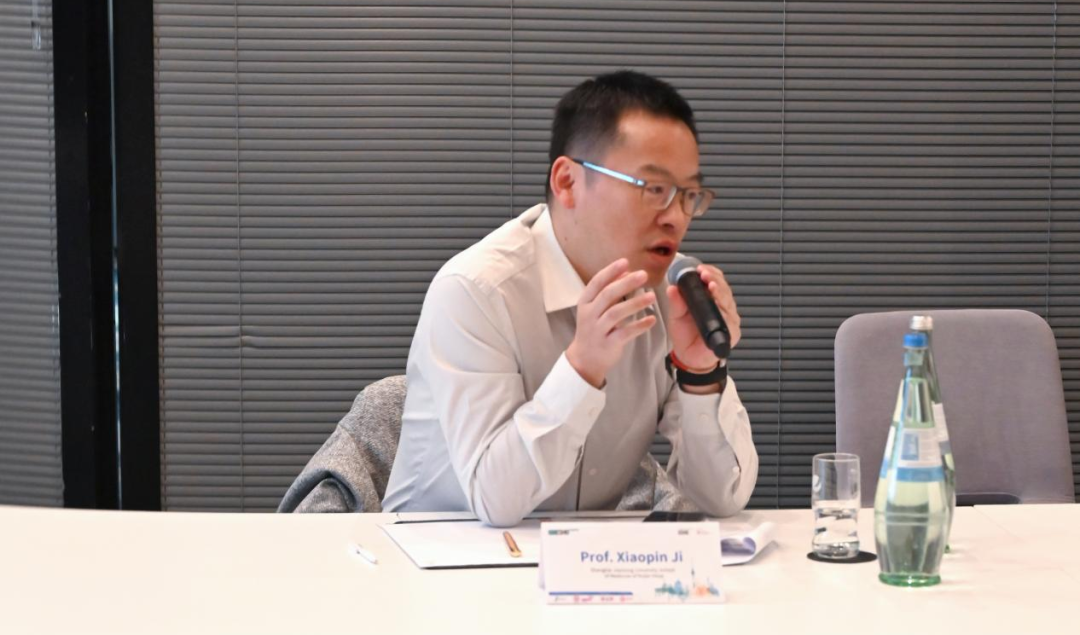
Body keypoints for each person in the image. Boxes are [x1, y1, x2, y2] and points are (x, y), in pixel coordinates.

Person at [382, 70, 758, 526]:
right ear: (567, 182)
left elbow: (721, 500)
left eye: (689, 195)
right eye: (654, 190)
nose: (676, 217)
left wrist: (700, 374)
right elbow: (494, 501)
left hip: (584, 557)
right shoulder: (476, 291)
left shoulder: (672, 294)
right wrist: (583, 368)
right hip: (437, 552)